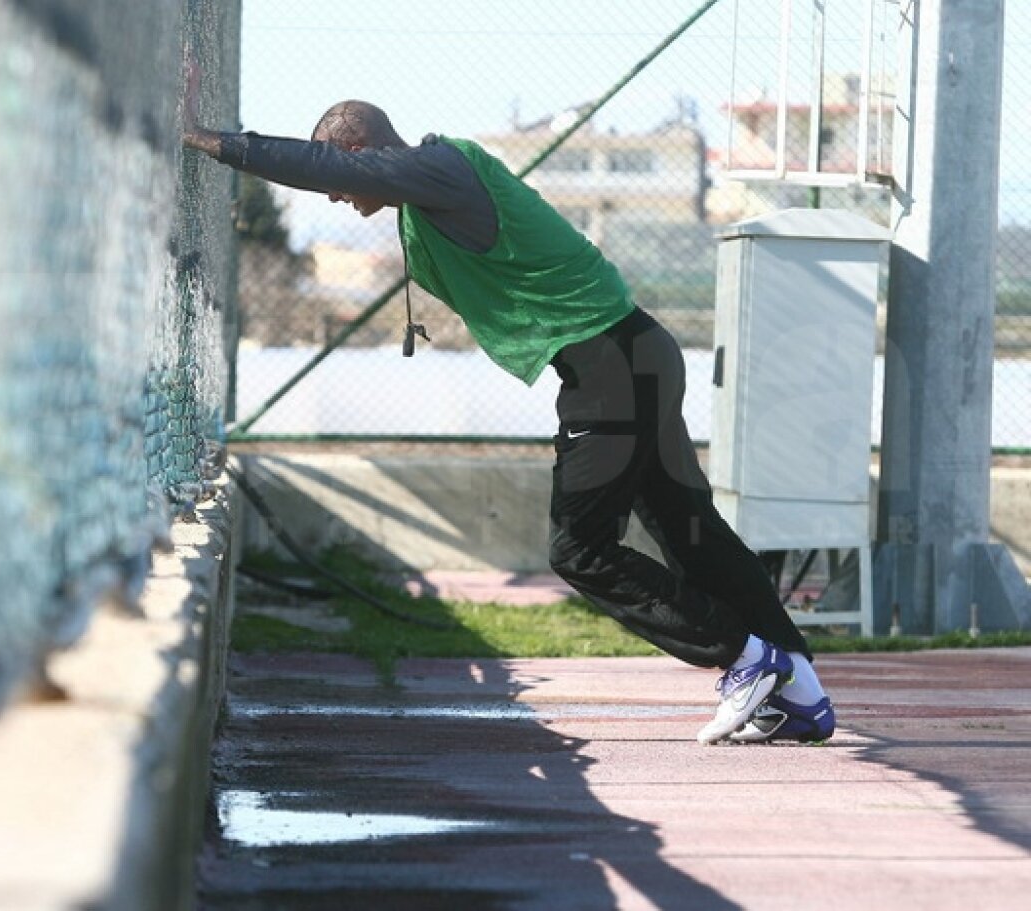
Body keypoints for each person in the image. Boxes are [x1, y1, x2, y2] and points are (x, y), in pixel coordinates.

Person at [181, 69, 835, 745]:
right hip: (634, 352)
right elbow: (349, 179)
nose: (337, 197)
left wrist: (209, 140)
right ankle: (804, 695)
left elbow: (316, 163)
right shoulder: (424, 193)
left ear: (361, 152)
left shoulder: (440, 168)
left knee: (581, 550)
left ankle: (747, 657)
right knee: (689, 530)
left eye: (338, 180)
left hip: (610, 364)